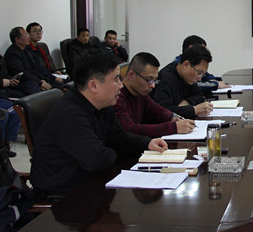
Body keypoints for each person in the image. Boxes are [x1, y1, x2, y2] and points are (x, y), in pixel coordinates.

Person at [30, 51, 168, 196]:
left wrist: (147, 143)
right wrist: (113, 149)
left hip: (91, 182)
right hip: (65, 195)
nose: (121, 85)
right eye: (116, 79)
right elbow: (98, 160)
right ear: (94, 85)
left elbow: (119, 137)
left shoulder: (102, 105)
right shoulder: (71, 114)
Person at [114, 52, 196, 138]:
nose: (153, 85)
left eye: (155, 80)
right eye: (149, 80)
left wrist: (173, 117)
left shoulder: (141, 93)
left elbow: (157, 111)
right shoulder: (117, 97)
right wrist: (173, 127)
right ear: (131, 75)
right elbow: (130, 129)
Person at [152, 46, 214, 119]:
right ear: (186, 65)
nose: (200, 79)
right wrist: (193, 110)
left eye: (202, 75)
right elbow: (161, 111)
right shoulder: (166, 80)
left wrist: (186, 102)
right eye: (199, 73)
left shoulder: (187, 77)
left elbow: (199, 94)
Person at [4, 27, 57, 93]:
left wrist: (42, 79)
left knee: (57, 83)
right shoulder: (12, 54)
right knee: (34, 86)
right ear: (17, 39)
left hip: (34, 80)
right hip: (22, 83)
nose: (28, 37)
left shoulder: (26, 51)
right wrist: (39, 83)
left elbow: (34, 69)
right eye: (26, 35)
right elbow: (22, 74)